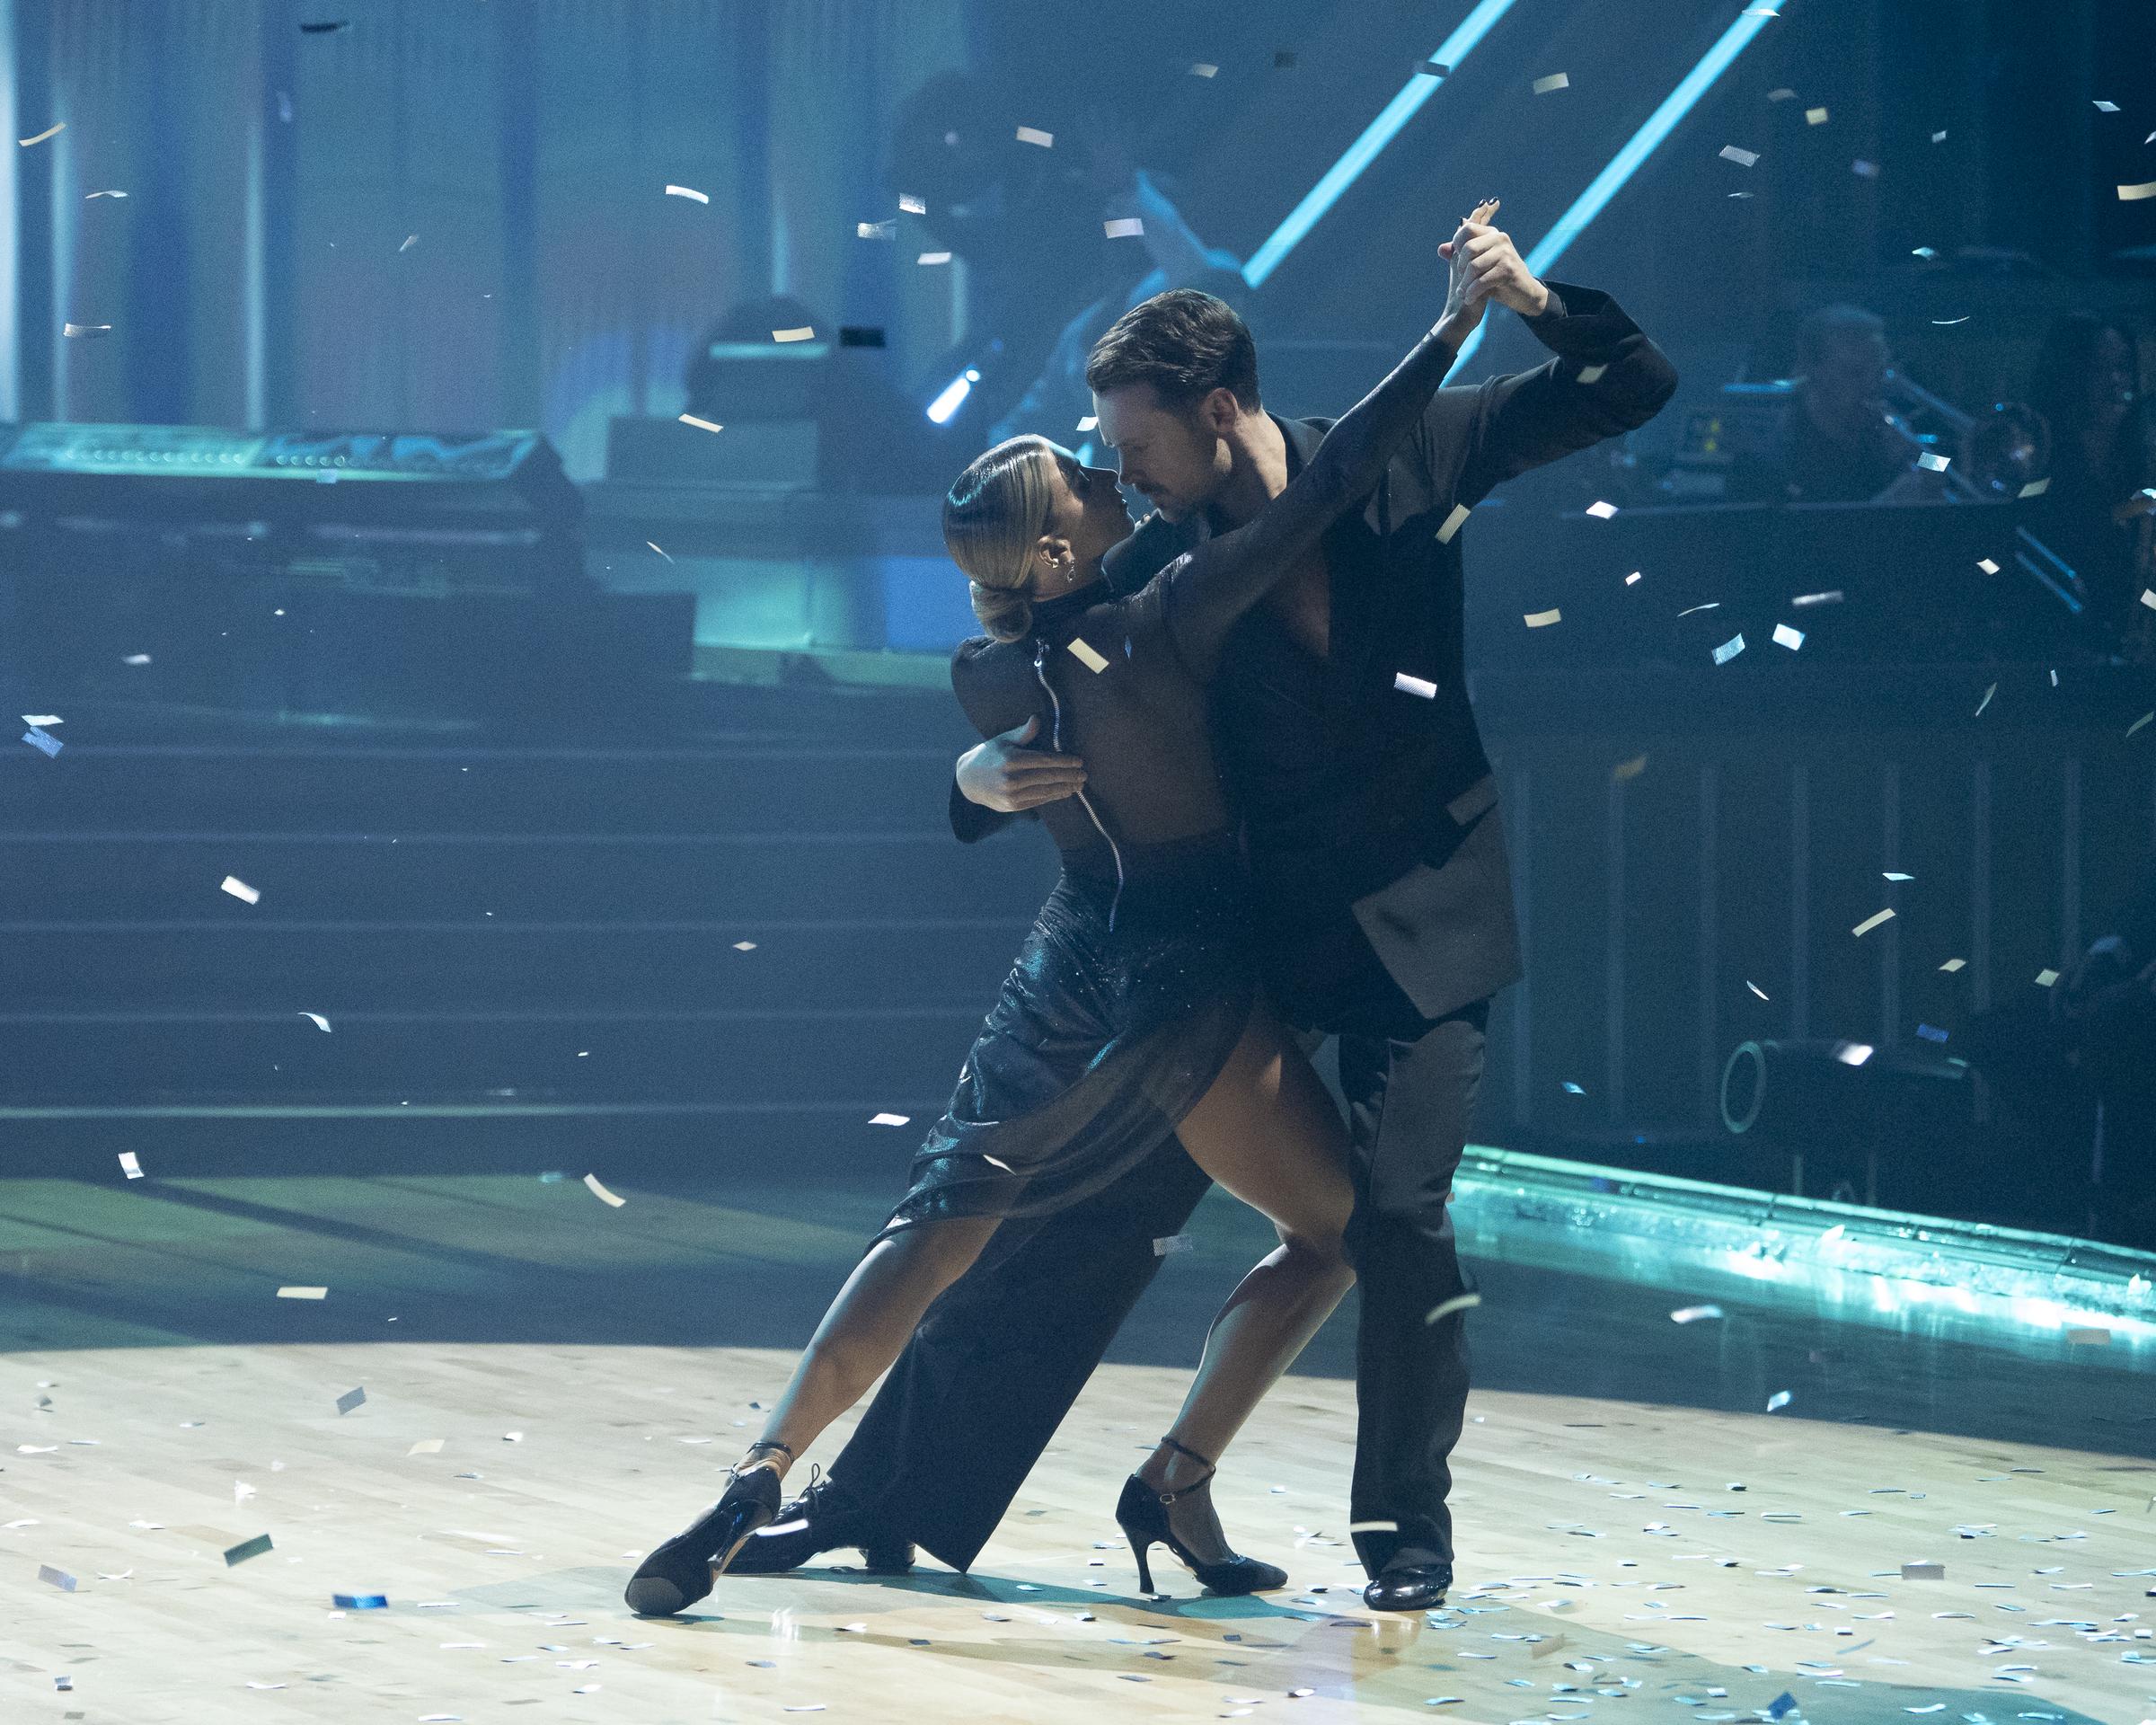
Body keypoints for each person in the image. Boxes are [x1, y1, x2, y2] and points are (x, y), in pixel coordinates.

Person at [737, 222, 1678, 1613]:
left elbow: (1634, 384)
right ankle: (888, 1496)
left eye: (1136, 445)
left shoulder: (1420, 445)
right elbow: (1024, 668)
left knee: (1398, 1220)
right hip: (1248, 931)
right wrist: (968, 781)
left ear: (1218, 409)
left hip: (1427, 908)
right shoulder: (1145, 556)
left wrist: (1532, 299)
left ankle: (1400, 1535)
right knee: (1090, 1211)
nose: (1118, 475)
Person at [2025, 312, 2156, 659]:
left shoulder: (2138, 454)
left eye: (2124, 367)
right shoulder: (2040, 451)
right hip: (2050, 633)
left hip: (2121, 632)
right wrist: (2128, 510)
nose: (2117, 382)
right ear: (2071, 375)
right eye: (2101, 369)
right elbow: (2044, 530)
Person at [1728, 303, 1913, 505]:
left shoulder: (1881, 430)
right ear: (1813, 369)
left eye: (1879, 373)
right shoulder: (1773, 453)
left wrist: (1919, 455)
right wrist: (1883, 505)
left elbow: (1941, 465)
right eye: (1854, 373)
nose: (1871, 386)